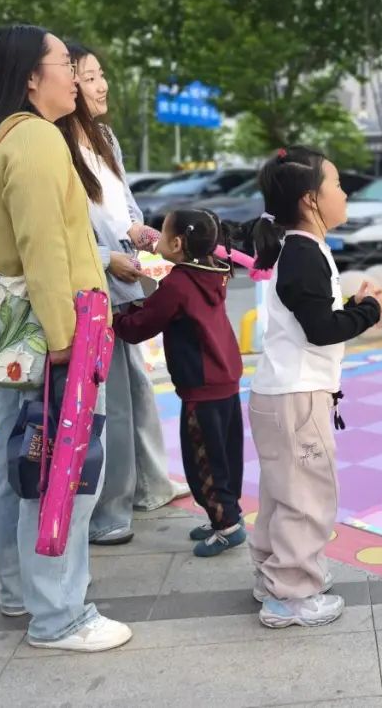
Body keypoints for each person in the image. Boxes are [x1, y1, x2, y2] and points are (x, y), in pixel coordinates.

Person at [0, 24, 131, 651]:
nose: (75, 76)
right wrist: (63, 339)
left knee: (17, 465)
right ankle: (59, 615)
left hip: (12, 341)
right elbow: (44, 251)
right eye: (64, 65)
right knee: (61, 474)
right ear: (31, 76)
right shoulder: (38, 140)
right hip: (53, 335)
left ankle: (20, 592)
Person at [248, 146, 382, 629]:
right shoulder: (304, 252)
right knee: (307, 497)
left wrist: (353, 306)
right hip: (298, 398)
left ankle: (273, 575)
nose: (345, 193)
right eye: (338, 184)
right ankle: (291, 594)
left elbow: (310, 316)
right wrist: (366, 312)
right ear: (311, 199)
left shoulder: (294, 247)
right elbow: (321, 330)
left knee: (281, 493)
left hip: (279, 394)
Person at [58, 40, 187, 547]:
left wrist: (139, 232)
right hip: (93, 287)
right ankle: (106, 511)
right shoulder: (54, 145)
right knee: (106, 402)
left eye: (101, 74)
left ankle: (149, 485)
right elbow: (60, 234)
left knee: (136, 387)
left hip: (126, 278)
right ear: (67, 84)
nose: (102, 85)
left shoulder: (105, 138)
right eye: (90, 77)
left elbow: (124, 204)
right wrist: (105, 256)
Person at [111, 209, 245, 557]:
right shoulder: (214, 272)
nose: (156, 234)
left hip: (201, 387)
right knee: (225, 456)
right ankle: (225, 515)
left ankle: (227, 526)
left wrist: (114, 318)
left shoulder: (177, 284)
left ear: (177, 243)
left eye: (162, 231)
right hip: (225, 380)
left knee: (203, 462)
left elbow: (141, 326)